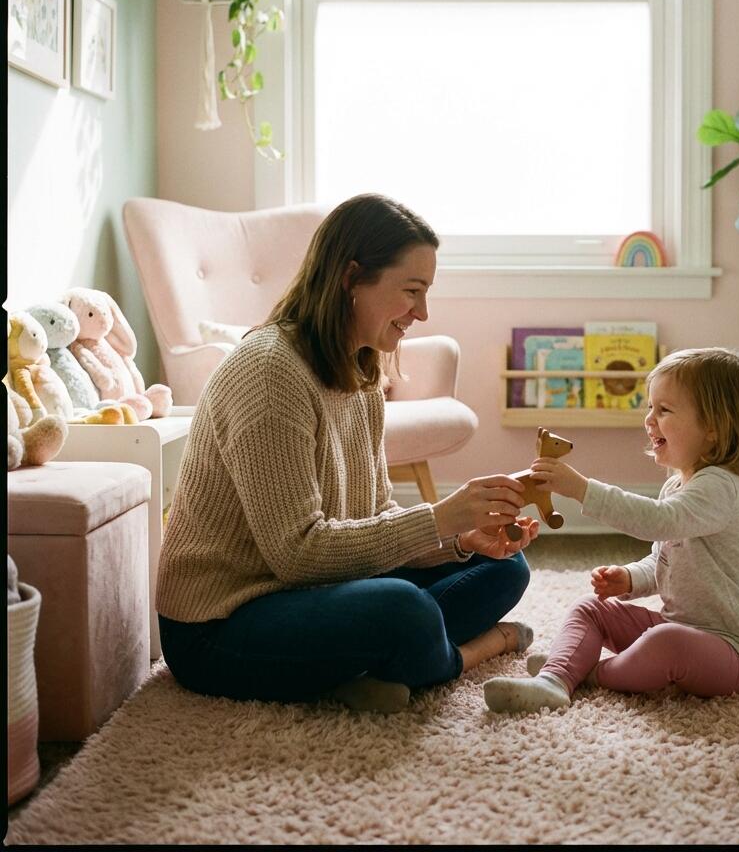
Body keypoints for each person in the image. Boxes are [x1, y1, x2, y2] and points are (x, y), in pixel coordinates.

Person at [156, 193, 540, 713]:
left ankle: (366, 666)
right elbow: (296, 555)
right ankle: (468, 652)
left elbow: (375, 516)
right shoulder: (270, 373)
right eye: (412, 291)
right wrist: (440, 517)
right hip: (220, 623)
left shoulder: (361, 369)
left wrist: (457, 540)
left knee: (505, 567)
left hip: (319, 587)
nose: (422, 312)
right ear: (352, 277)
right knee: (403, 610)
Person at [483, 347, 739, 714]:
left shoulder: (721, 487)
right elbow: (663, 560)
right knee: (592, 609)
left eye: (664, 410)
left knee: (666, 641)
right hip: (680, 628)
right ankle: (555, 680)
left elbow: (658, 520)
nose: (649, 419)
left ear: (714, 429)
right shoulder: (677, 486)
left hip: (736, 655)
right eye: (650, 407)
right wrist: (630, 578)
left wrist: (582, 489)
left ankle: (590, 673)